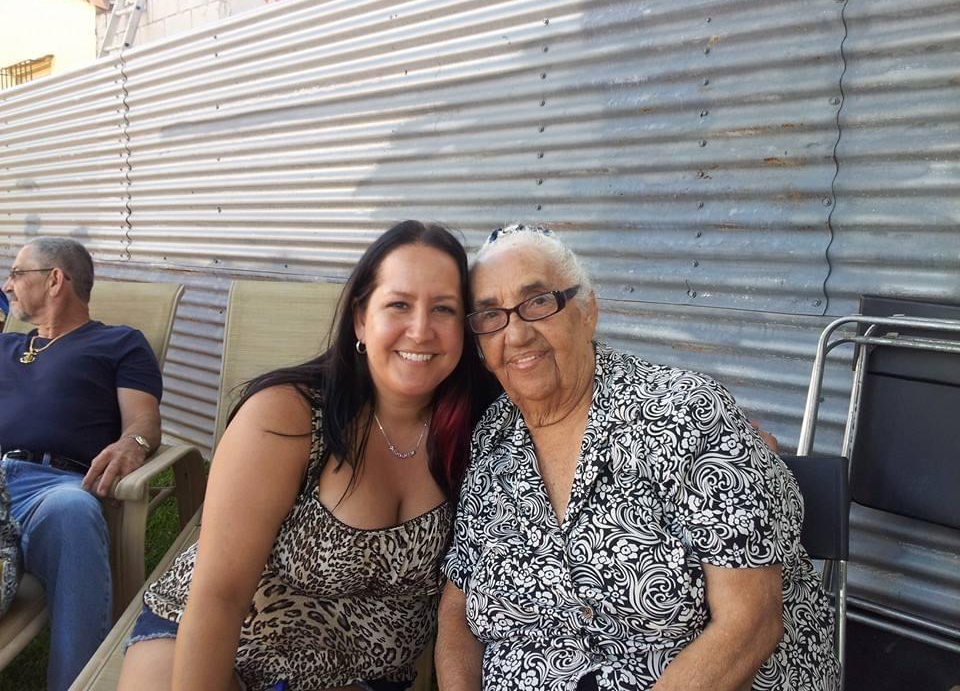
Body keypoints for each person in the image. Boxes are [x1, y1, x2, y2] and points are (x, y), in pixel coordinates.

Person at [436, 224, 839, 691]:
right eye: (490, 315)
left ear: (588, 311)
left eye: (538, 302)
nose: (517, 333)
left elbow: (749, 626)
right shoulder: (492, 440)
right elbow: (457, 608)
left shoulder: (686, 413)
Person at [119, 221, 493, 691]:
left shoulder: (480, 428)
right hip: (220, 641)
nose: (420, 330)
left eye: (443, 309)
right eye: (399, 304)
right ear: (361, 319)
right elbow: (219, 597)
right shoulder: (287, 416)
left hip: (362, 674)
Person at [1, 237, 163, 691]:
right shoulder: (7, 345)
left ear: (55, 280)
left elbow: (143, 420)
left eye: (16, 274)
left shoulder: (119, 343)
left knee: (74, 513)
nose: (7, 286)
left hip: (53, 486)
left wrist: (133, 442)